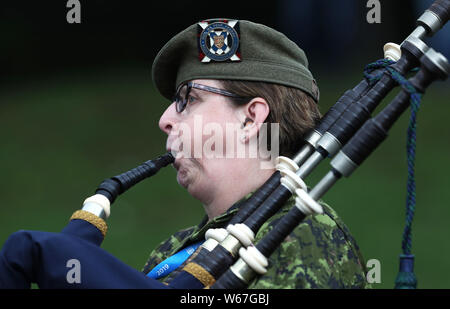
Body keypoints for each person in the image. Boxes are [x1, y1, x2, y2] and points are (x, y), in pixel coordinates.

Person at [141, 18, 370, 288]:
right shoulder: (172, 251)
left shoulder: (299, 236)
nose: (165, 119)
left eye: (189, 99)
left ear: (251, 119)